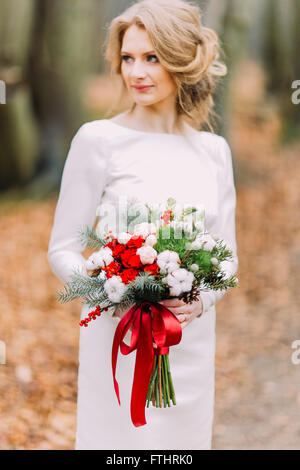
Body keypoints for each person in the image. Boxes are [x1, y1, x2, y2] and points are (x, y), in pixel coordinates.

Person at [48, 0, 238, 450]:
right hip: (117, 340)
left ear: (180, 59)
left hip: (187, 342)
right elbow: (61, 248)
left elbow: (228, 260)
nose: (137, 71)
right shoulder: (98, 141)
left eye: (151, 57)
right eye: (128, 58)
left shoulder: (214, 152)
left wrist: (199, 302)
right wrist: (111, 293)